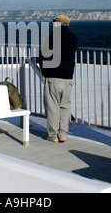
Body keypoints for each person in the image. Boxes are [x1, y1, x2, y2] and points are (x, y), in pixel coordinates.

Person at [38, 15, 78, 143]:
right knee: (65, 106)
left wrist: (45, 72)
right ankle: (63, 134)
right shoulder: (73, 37)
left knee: (52, 106)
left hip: (53, 77)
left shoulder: (53, 36)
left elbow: (43, 55)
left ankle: (53, 135)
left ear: (58, 24)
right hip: (68, 77)